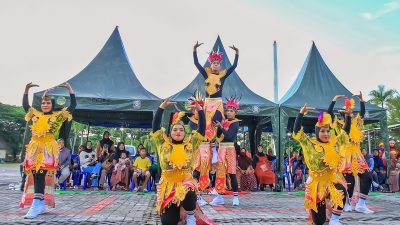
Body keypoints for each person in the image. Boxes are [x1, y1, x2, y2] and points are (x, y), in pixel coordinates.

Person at [20, 82, 76, 219]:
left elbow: (72, 106)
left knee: (40, 173)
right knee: (35, 174)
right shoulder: (36, 115)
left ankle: (36, 203)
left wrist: (69, 89)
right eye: (43, 103)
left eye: (48, 103)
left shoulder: (57, 116)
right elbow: (26, 106)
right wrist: (26, 89)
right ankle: (39, 203)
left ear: (52, 105)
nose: (45, 105)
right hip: (34, 148)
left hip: (48, 149)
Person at [293, 103, 351, 225]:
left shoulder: (333, 142)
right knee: (319, 221)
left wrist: (348, 117)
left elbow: (345, 133)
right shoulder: (309, 144)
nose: (326, 134)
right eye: (323, 131)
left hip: (331, 181)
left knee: (341, 190)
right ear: (317, 132)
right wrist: (300, 114)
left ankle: (335, 220)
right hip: (315, 185)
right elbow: (297, 132)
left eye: (328, 131)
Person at [151, 99, 205, 225]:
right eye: (175, 130)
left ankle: (191, 216)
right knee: (168, 221)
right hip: (168, 186)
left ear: (184, 133)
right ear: (170, 132)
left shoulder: (191, 143)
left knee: (190, 192)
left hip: (185, 183)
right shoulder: (162, 143)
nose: (178, 132)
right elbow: (155, 128)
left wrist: (200, 110)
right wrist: (161, 108)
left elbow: (202, 130)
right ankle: (179, 215)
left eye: (181, 130)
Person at [327, 93, 374, 213]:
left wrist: (362, 101)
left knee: (367, 177)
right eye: (346, 110)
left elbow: (362, 114)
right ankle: (347, 203)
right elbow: (329, 112)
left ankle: (361, 204)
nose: (350, 112)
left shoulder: (356, 123)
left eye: (350, 110)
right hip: (345, 155)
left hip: (357, 155)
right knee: (349, 182)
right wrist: (334, 99)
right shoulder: (338, 125)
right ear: (343, 113)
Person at [193, 41, 238, 142]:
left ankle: (217, 136)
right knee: (206, 123)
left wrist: (237, 53)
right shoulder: (206, 74)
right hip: (208, 102)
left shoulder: (223, 75)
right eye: (214, 63)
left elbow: (234, 66)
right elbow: (196, 63)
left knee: (214, 121)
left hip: (217, 102)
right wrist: (194, 50)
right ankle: (207, 141)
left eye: (217, 63)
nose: (216, 64)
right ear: (211, 64)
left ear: (220, 65)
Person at [210, 97, 241, 206]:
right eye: (227, 110)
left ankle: (236, 197)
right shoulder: (224, 122)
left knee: (231, 173)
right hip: (221, 148)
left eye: (231, 111)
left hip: (230, 149)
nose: (228, 112)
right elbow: (219, 136)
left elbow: (228, 136)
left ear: (235, 112)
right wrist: (217, 127)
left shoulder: (235, 123)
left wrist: (221, 126)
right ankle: (219, 197)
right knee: (219, 173)